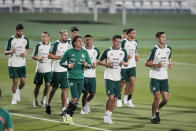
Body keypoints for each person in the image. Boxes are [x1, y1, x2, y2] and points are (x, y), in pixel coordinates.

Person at [60, 36, 91, 124]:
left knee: (77, 100)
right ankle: (67, 116)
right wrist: (67, 66)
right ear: (74, 43)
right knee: (74, 97)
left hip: (81, 78)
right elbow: (61, 62)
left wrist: (86, 65)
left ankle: (69, 116)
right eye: (79, 41)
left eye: (81, 41)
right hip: (71, 77)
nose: (81, 43)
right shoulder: (69, 52)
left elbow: (89, 65)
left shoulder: (85, 52)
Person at [98, 35, 128, 124]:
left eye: (120, 42)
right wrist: (106, 65)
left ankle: (109, 115)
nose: (118, 43)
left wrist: (124, 63)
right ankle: (106, 115)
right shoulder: (107, 51)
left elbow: (125, 63)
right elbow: (98, 61)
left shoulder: (123, 52)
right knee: (111, 97)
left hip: (117, 78)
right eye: (116, 41)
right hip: (108, 77)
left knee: (115, 98)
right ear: (113, 42)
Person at [145, 32, 172, 124]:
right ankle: (153, 117)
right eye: (162, 37)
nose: (164, 38)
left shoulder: (169, 48)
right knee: (156, 98)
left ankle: (157, 110)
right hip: (155, 77)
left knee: (165, 99)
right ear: (158, 39)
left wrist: (170, 64)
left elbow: (169, 58)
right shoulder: (154, 49)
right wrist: (156, 65)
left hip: (164, 77)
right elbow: (146, 63)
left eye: (165, 36)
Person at [45, 30, 71, 115]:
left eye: (67, 35)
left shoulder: (69, 44)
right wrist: (60, 57)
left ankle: (63, 109)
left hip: (65, 70)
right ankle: (48, 104)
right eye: (64, 35)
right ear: (60, 36)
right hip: (56, 70)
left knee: (65, 90)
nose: (66, 37)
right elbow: (49, 55)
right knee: (54, 89)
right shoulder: (56, 44)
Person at [4, 24, 30, 104]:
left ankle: (18, 90)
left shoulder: (25, 39)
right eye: (19, 31)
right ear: (16, 31)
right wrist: (11, 51)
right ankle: (14, 97)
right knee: (15, 81)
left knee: (23, 81)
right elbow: (5, 52)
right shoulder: (11, 40)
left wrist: (25, 53)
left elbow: (28, 49)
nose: (21, 32)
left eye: (22, 31)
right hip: (13, 64)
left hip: (22, 64)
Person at [80, 35, 100, 114]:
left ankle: (86, 103)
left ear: (92, 40)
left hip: (92, 75)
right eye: (87, 40)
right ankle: (83, 108)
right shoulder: (81, 50)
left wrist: (96, 64)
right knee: (85, 93)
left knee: (93, 93)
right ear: (84, 41)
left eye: (90, 39)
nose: (88, 41)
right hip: (84, 75)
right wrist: (83, 64)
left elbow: (98, 60)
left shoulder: (96, 50)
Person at [120, 28, 139, 107]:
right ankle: (118, 99)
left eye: (135, 33)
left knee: (132, 82)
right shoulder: (123, 42)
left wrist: (137, 55)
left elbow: (135, 51)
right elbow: (118, 52)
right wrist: (125, 56)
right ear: (128, 34)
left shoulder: (135, 42)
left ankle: (128, 99)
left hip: (132, 65)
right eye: (133, 33)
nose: (134, 34)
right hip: (124, 66)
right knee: (121, 83)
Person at [32, 32, 51, 108]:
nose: (44, 38)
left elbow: (53, 55)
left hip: (48, 69)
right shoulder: (38, 45)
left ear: (48, 37)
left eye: (45, 37)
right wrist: (38, 58)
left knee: (48, 85)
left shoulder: (51, 46)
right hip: (39, 69)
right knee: (38, 85)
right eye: (43, 37)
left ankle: (43, 99)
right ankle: (35, 99)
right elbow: (33, 56)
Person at [117, 28, 130, 107]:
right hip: (122, 67)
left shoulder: (132, 42)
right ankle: (118, 98)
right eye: (124, 34)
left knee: (129, 83)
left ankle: (125, 98)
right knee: (121, 83)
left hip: (129, 66)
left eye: (126, 34)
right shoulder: (121, 42)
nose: (125, 35)